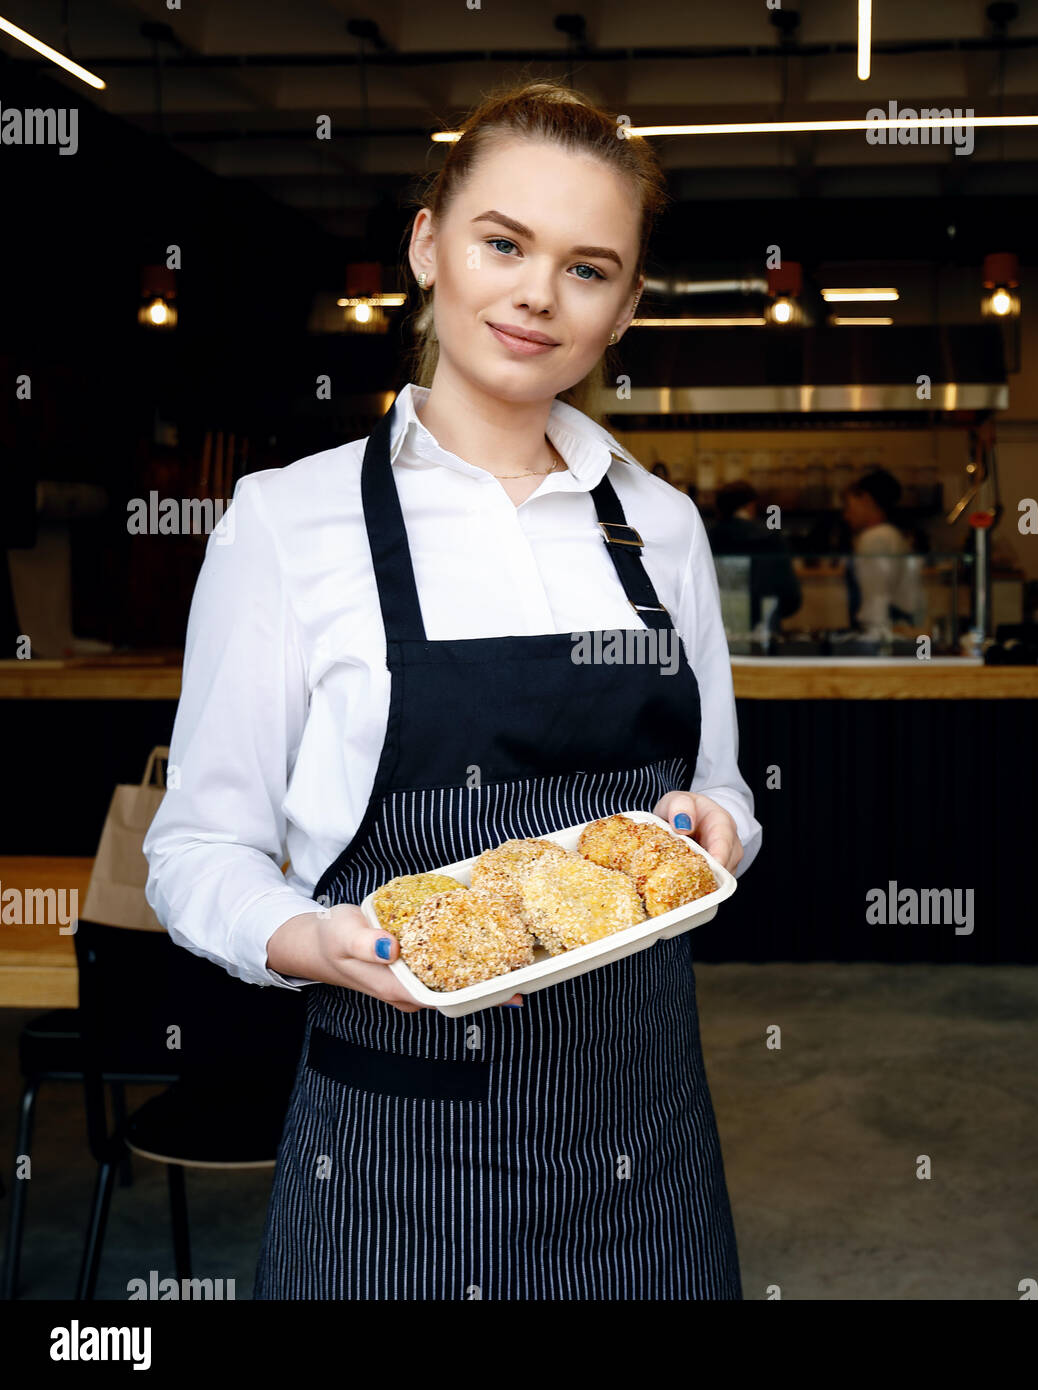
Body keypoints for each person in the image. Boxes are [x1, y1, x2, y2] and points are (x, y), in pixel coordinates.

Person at [142, 78, 762, 1301]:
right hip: (393, 1150)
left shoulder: (662, 527)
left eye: (589, 268)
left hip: (647, 1139)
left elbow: (721, 784)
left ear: (625, 308)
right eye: (503, 243)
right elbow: (197, 848)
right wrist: (310, 940)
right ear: (429, 247)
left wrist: (720, 832)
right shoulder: (289, 522)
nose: (537, 293)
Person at [707, 481, 802, 636]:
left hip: (722, 633)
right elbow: (791, 597)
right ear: (751, 506)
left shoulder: (709, 538)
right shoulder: (772, 538)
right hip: (765, 631)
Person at [841, 468, 926, 635]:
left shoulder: (875, 538)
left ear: (865, 499)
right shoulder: (892, 534)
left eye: (849, 506)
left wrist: (872, 637)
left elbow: (876, 596)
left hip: (882, 632)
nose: (846, 515)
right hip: (898, 627)